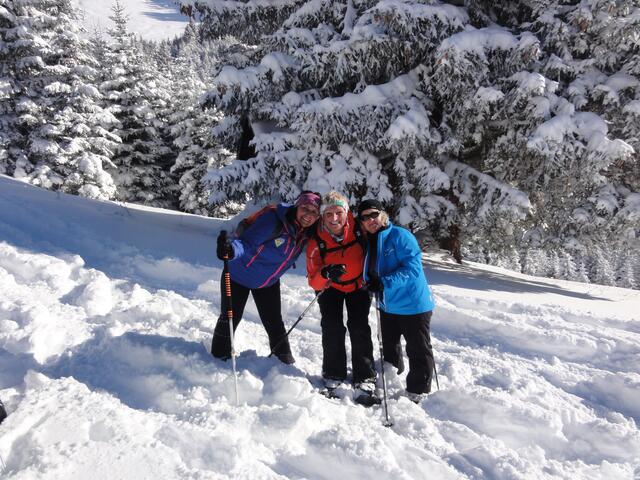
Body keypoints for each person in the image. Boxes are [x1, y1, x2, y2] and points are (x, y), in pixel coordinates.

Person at [211, 191, 322, 364]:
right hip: (238, 275)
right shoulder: (274, 220)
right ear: (296, 206)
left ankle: (284, 362)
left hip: (267, 282)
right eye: (305, 208)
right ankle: (218, 358)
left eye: (314, 212)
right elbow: (246, 242)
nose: (308, 215)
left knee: (274, 322)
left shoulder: (307, 232)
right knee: (230, 318)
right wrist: (230, 250)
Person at [358, 199, 436, 403]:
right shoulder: (370, 240)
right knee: (389, 345)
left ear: (382, 215)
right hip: (387, 304)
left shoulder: (400, 235)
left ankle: (418, 390)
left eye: (374, 214)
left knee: (418, 348)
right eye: (365, 217)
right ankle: (391, 375)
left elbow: (413, 269)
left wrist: (384, 282)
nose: (370, 220)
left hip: (413, 305)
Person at [306, 191, 378, 404]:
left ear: (346, 212)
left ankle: (365, 376)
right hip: (330, 287)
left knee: (359, 327)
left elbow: (378, 243)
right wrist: (325, 273)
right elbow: (313, 280)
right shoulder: (316, 240)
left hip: (358, 285)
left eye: (339, 212)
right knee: (332, 327)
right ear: (322, 215)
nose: (334, 218)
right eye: (328, 214)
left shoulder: (359, 229)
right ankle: (333, 373)